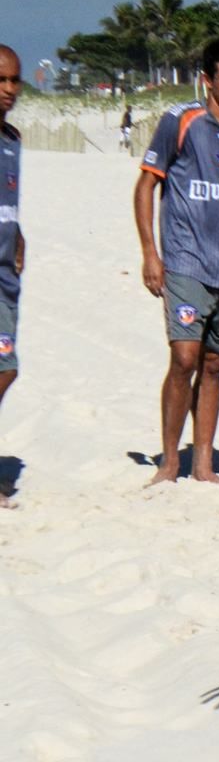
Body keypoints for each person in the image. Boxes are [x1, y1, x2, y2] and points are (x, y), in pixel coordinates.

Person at [133, 38, 219, 485]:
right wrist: (151, 253)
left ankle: (204, 465)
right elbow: (146, 186)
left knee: (213, 365)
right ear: (207, 80)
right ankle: (170, 462)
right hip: (184, 264)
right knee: (185, 358)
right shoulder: (181, 121)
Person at [0, 45, 24, 509]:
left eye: (14, 81)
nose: (8, 89)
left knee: (6, 369)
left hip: (6, 275)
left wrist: (18, 234)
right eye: (0, 81)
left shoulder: (13, 138)